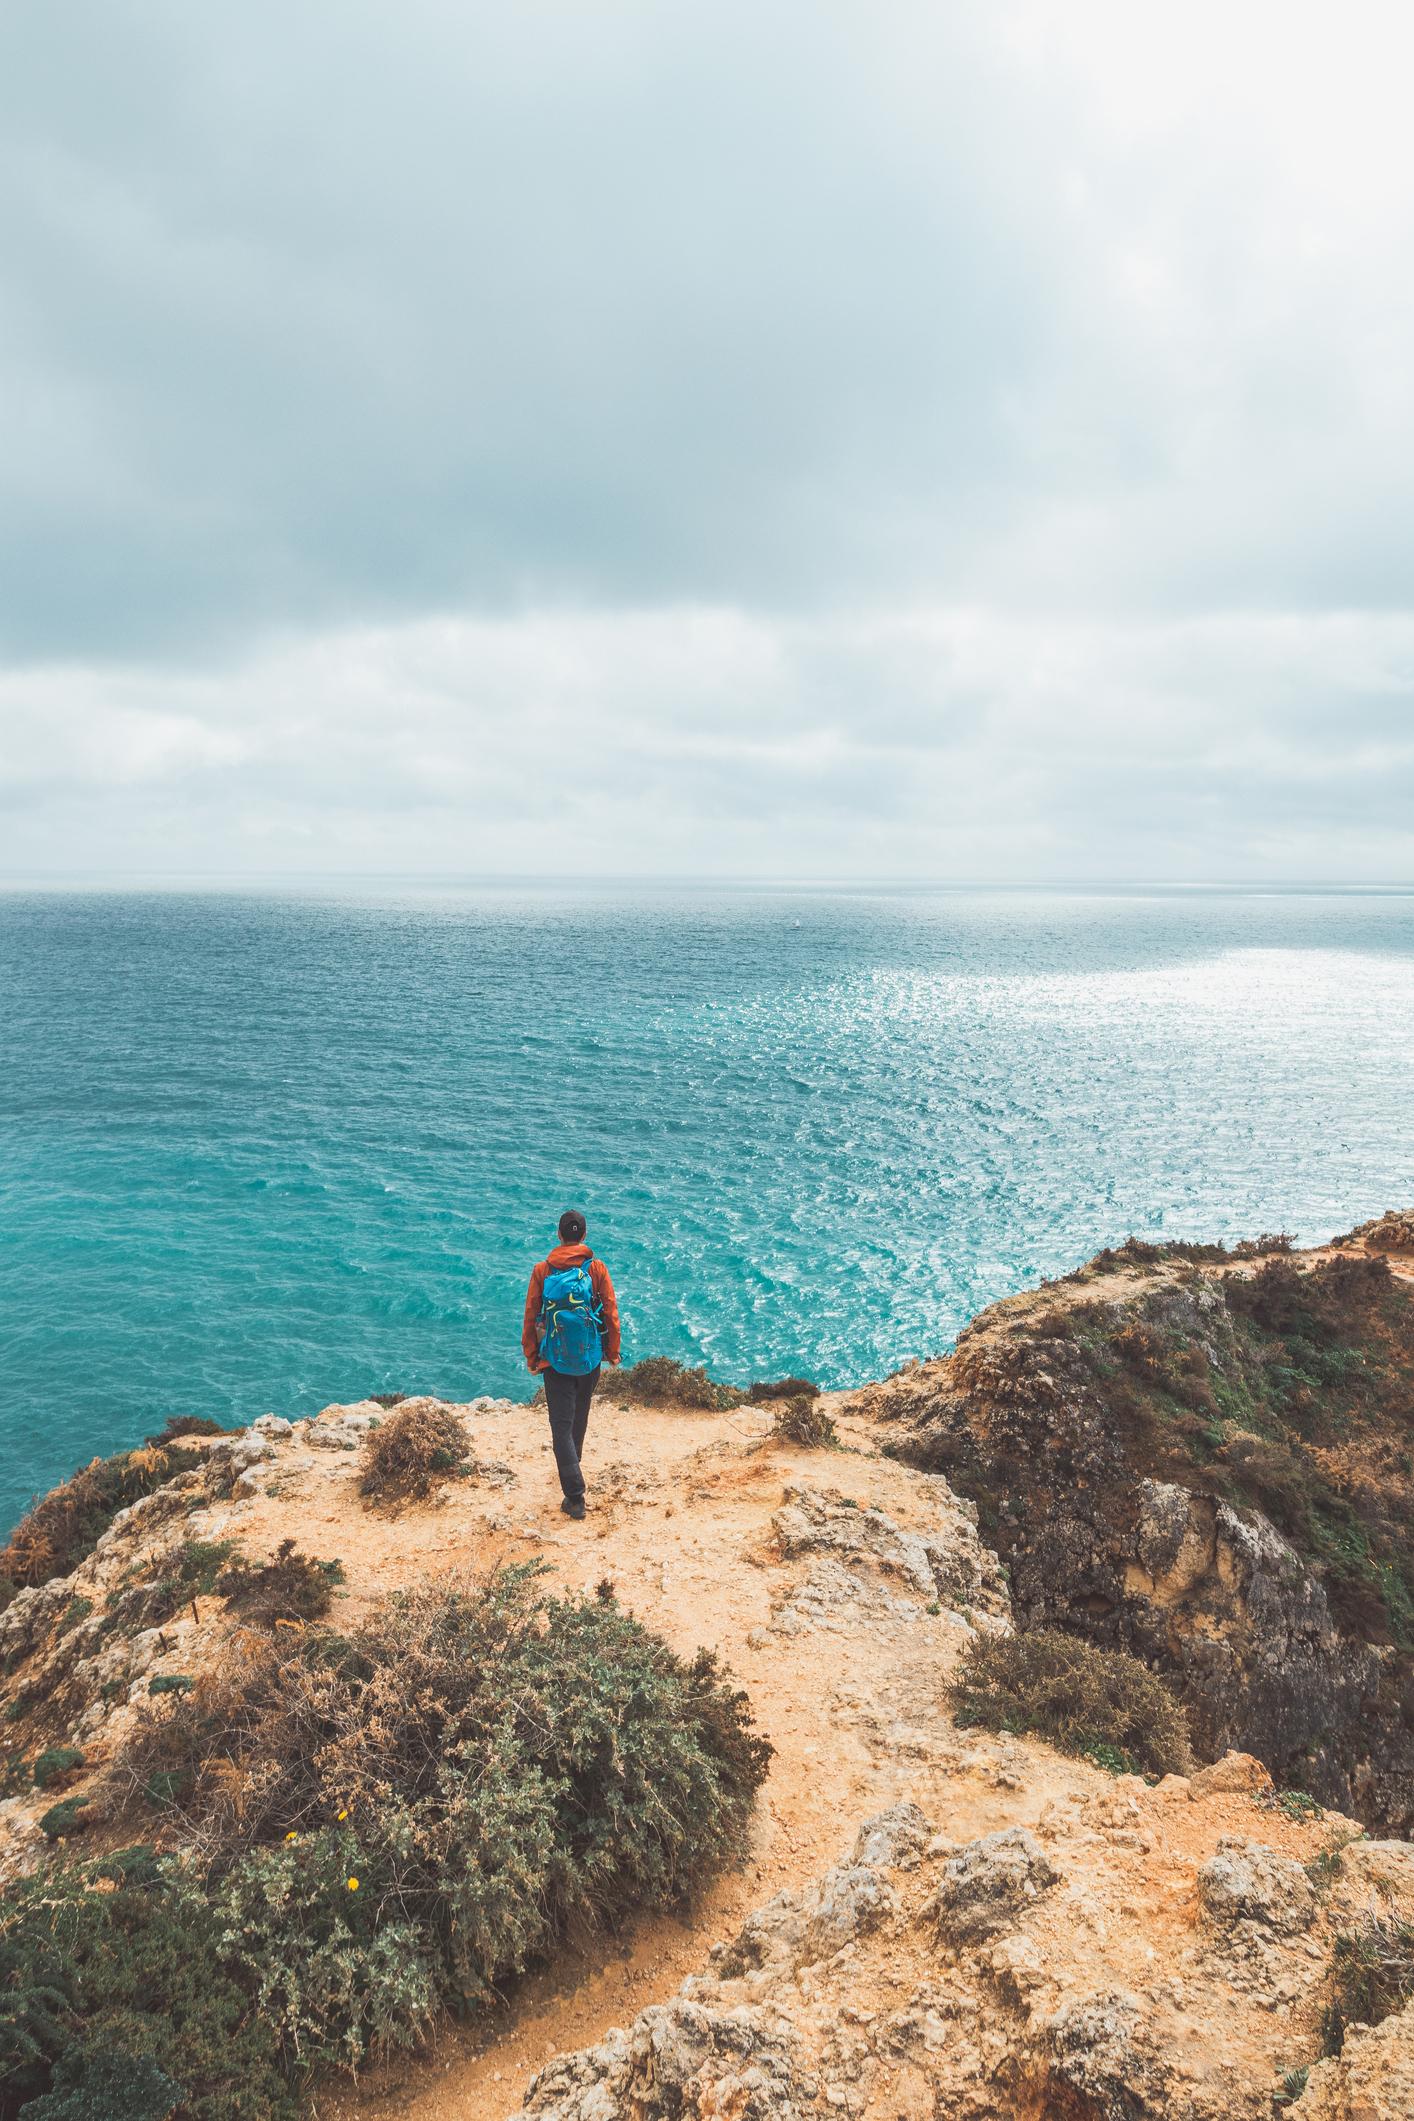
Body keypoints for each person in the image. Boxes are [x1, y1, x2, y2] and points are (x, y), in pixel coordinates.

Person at [522, 1208, 621, 1519]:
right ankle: (572, 1472)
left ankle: (575, 1495)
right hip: (590, 1358)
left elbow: (531, 1315)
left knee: (560, 1426)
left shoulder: (542, 1270)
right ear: (585, 1235)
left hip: (554, 1360)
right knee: (579, 1416)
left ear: (559, 1235)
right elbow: (610, 1313)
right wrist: (613, 1351)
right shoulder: (597, 1269)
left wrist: (532, 1356)